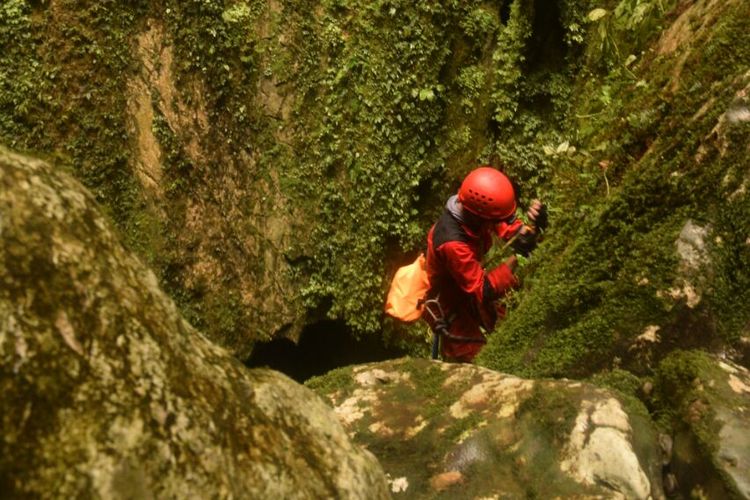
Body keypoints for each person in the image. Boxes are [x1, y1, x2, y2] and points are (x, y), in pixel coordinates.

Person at [423, 166, 547, 363]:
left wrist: (533, 229)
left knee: (508, 329)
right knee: (473, 360)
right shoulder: (452, 243)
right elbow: (484, 289)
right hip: (449, 302)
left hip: (468, 287)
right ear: (480, 217)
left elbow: (507, 226)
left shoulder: (476, 211)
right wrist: (517, 258)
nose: (496, 222)